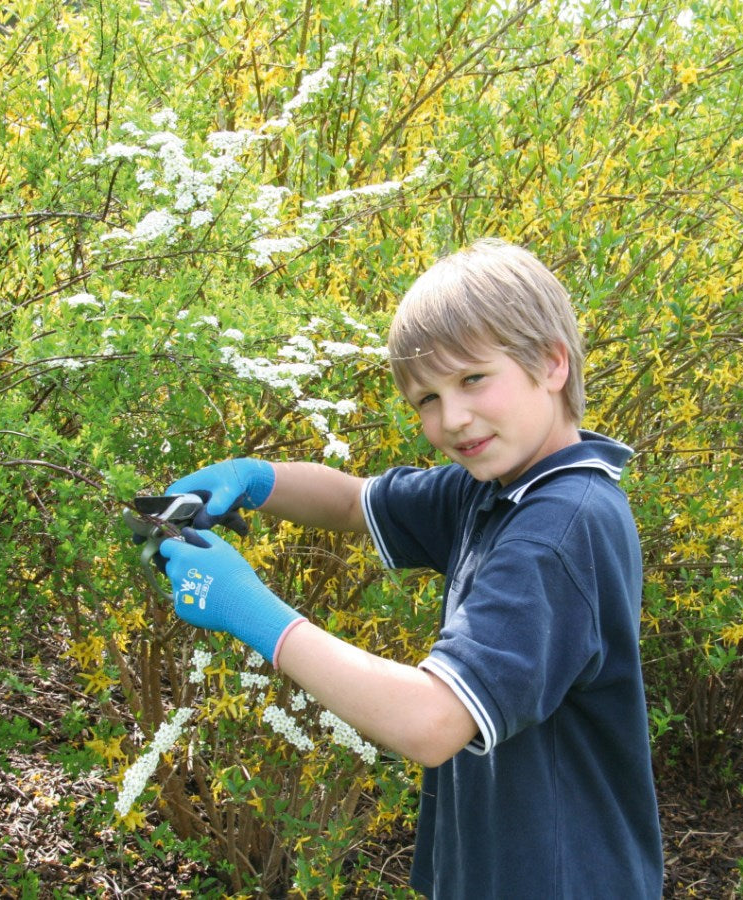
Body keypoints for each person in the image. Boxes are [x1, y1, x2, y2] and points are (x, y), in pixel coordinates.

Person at [151, 238, 663, 898]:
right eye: (425, 398)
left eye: (473, 379)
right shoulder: (498, 486)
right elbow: (352, 501)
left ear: (551, 364)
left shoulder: (558, 531)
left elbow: (431, 722)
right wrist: (253, 480)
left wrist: (247, 607)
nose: (451, 418)